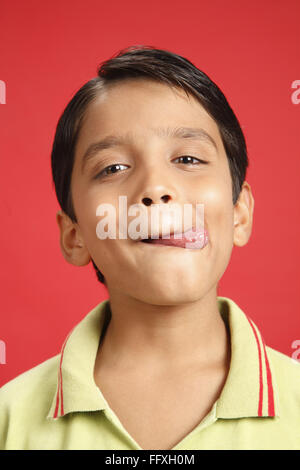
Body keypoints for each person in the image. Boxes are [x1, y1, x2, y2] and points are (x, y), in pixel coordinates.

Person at [1, 45, 299, 450]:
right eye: (114, 168)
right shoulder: (10, 419)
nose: (156, 188)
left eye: (189, 158)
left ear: (239, 214)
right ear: (75, 236)